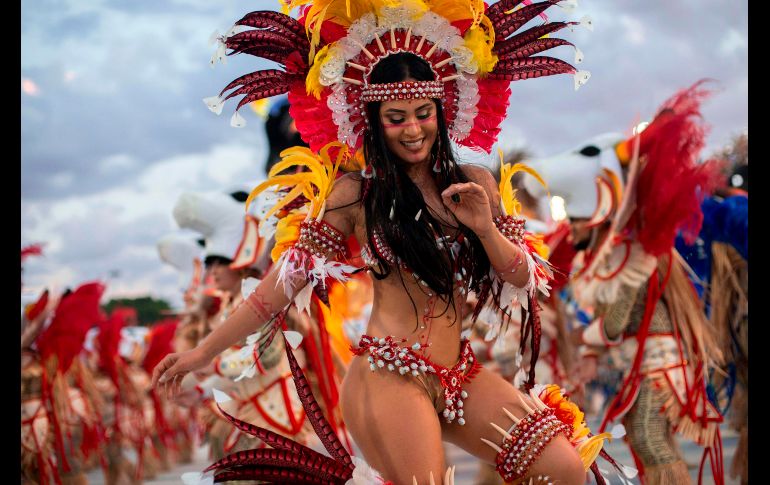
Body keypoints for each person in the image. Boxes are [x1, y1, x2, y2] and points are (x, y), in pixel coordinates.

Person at [153, 0, 617, 483]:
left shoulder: (475, 180)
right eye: (396, 117)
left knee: (563, 468)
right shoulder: (355, 194)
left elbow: (523, 277)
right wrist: (203, 352)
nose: (413, 129)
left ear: (442, 110)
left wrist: (484, 227)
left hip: (460, 375)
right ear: (374, 121)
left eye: (423, 113)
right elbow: (280, 285)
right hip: (388, 376)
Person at [523, 82, 727, 484]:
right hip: (643, 362)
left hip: (660, 365)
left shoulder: (633, 253)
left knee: (651, 438)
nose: (572, 227)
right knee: (642, 436)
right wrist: (589, 354)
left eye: (578, 219)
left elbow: (618, 320)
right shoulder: (604, 255)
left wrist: (586, 340)